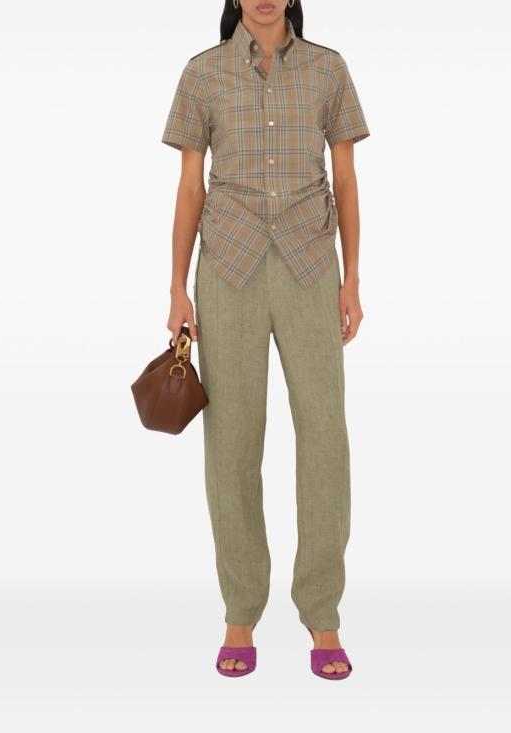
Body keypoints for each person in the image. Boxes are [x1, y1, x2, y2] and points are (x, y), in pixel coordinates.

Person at [161, 0, 370, 680]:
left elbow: (346, 178)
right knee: (231, 442)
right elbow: (190, 186)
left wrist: (352, 278)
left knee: (325, 438)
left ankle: (323, 612)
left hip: (311, 266)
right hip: (228, 267)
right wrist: (177, 288)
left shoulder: (328, 70)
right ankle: (240, 610)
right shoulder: (202, 73)